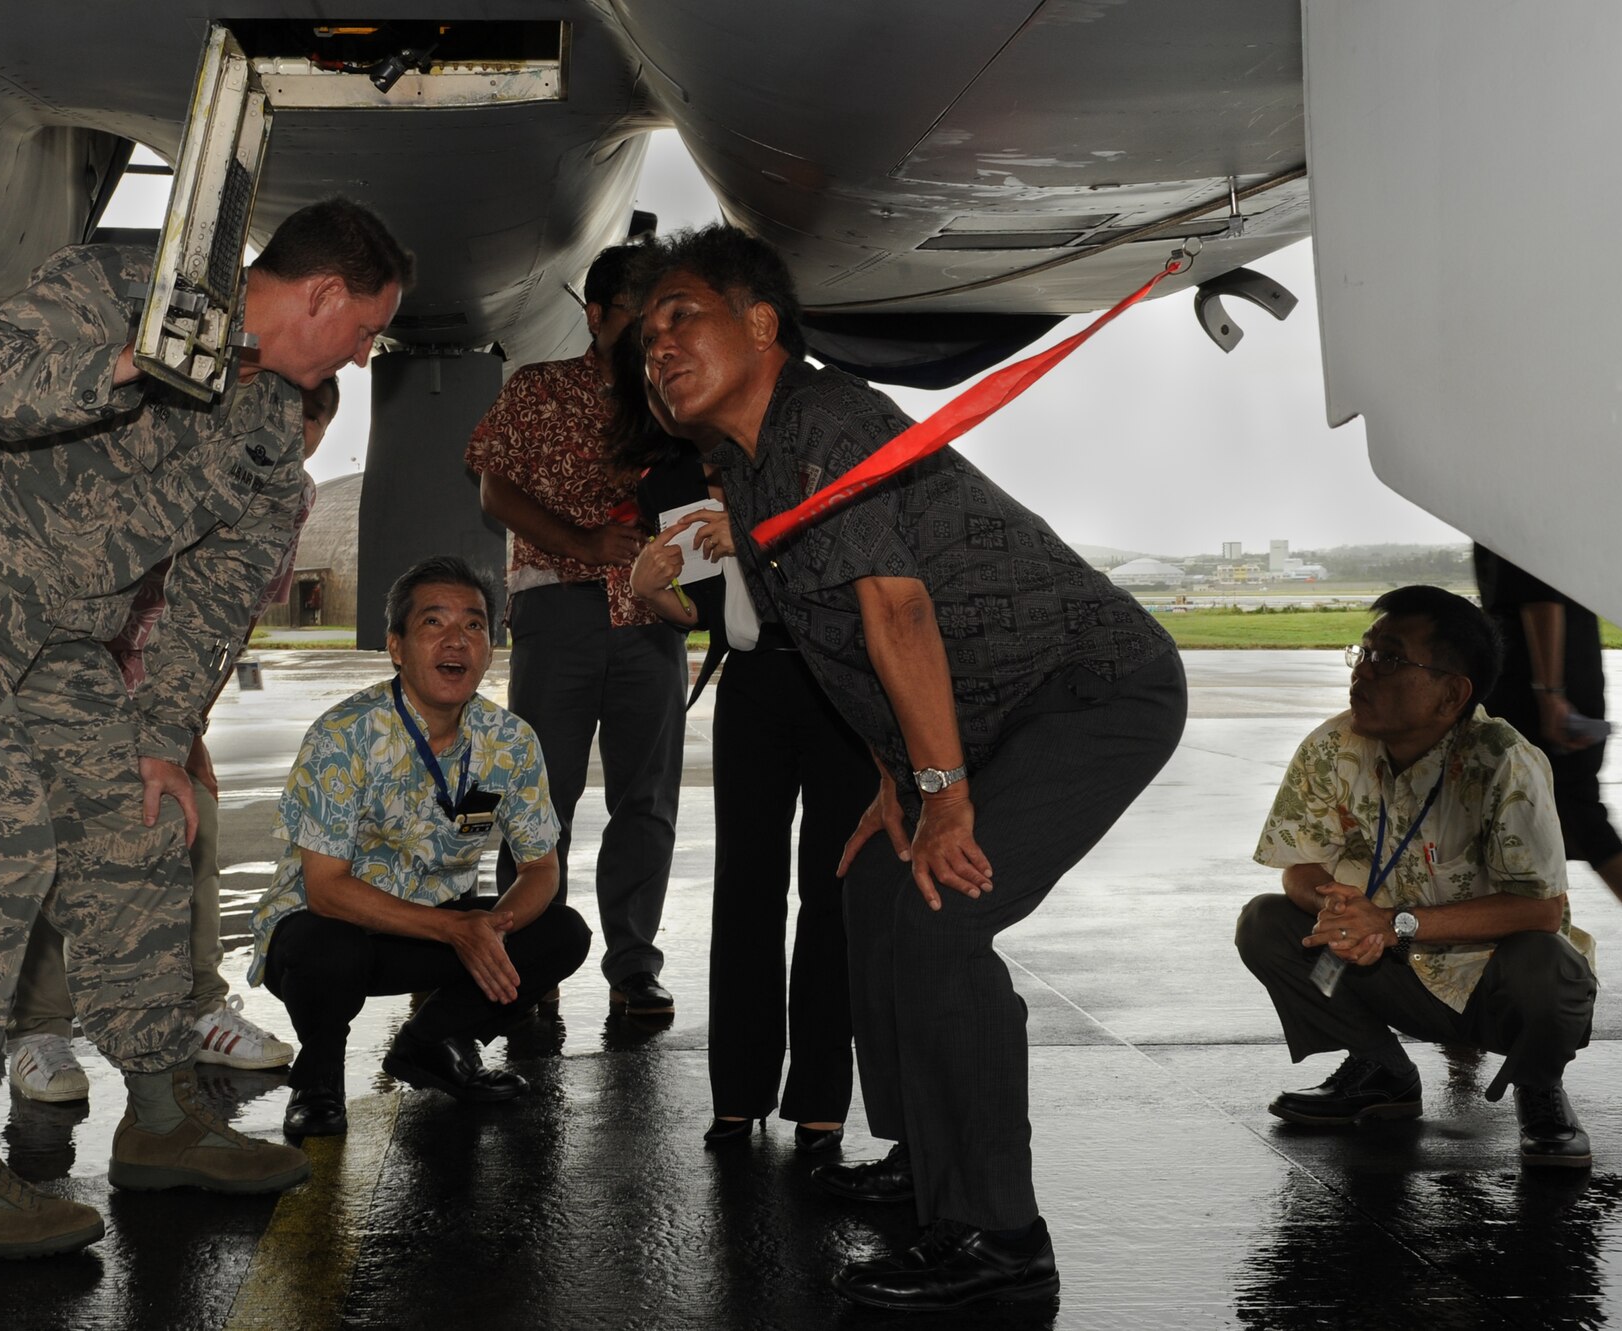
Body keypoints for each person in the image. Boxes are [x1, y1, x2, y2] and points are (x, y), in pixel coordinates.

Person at [0, 197, 411, 1257]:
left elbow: (219, 594)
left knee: (139, 829)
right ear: (320, 295)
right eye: (364, 329)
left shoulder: (271, 435)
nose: (362, 357)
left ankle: (162, 1114)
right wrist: (129, 362)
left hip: (53, 637)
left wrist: (161, 737)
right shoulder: (132, 287)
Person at [631, 226, 1187, 1313]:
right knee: (872, 883)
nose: (657, 346)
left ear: (758, 323)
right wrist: (897, 778)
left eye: (680, 315)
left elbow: (895, 610)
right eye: (646, 334)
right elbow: (838, 641)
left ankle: (996, 1231)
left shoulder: (822, 419)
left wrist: (941, 794)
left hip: (1091, 688)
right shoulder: (745, 468)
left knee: (937, 912)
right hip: (986, 713)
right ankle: (927, 1161)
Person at [3, 378, 342, 1104]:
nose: (290, 442)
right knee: (52, 844)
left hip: (171, 684)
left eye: (306, 432)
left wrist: (186, 718)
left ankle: (197, 1008)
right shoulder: (177, 446)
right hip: (82, 661)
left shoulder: (295, 493)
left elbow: (237, 608)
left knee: (198, 823)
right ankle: (38, 1029)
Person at [1237, 584, 1597, 1168]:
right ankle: (1384, 1071)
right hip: (1390, 966)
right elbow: (1299, 862)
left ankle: (1540, 1088)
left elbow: (1541, 911)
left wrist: (1392, 922)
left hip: (1492, 983)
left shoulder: (1504, 761)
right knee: (1266, 922)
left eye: (1390, 659)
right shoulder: (1335, 745)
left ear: (1452, 693)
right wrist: (1335, 905)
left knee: (1550, 964)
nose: (1364, 673)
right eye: (1364, 652)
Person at [616, 353, 876, 1156]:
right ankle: (739, 1092)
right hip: (754, 685)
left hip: (839, 679)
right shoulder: (667, 482)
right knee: (746, 890)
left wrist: (758, 529)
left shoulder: (805, 445)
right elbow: (700, 606)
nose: (670, 389)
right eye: (657, 383)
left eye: (680, 373)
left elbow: (854, 547)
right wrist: (647, 587)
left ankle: (823, 1098)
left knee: (834, 892)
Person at [247, 556, 591, 1138]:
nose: (457, 639)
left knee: (562, 933)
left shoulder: (510, 741)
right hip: (333, 927)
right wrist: (456, 931)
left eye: (475, 625)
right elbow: (325, 890)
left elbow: (540, 867)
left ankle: (432, 1045)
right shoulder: (344, 735)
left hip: (435, 929)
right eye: (434, 623)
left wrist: (493, 926)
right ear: (396, 646)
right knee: (324, 948)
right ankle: (319, 1077)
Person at [462, 244, 685, 1016]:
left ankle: (633, 967)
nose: (656, 331)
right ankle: (527, 967)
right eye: (640, 315)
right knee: (537, 800)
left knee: (646, 801)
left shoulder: (676, 400)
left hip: (654, 618)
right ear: (595, 317)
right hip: (560, 608)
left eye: (668, 316)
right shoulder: (538, 390)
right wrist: (584, 543)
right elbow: (493, 485)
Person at [1473, 543, 1622, 1030]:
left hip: (1542, 693)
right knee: (1564, 830)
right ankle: (1507, 980)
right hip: (1556, 683)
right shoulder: (1549, 503)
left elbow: (1540, 598)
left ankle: (1511, 987)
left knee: (1581, 827)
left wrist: (1550, 694)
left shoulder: (1515, 507)